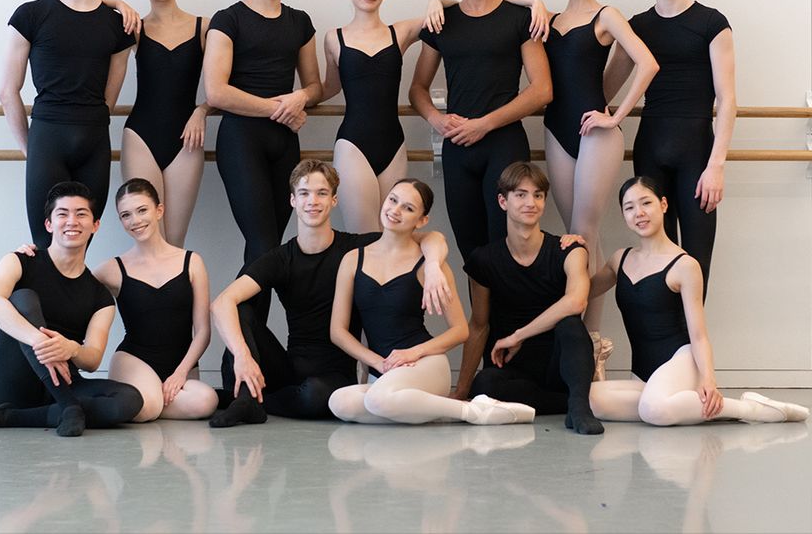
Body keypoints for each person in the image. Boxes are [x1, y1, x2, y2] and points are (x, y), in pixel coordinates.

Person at [208, 160, 452, 428]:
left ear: (334, 200)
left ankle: (254, 401)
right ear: (293, 200)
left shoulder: (358, 248)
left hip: (334, 376)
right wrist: (243, 356)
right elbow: (222, 302)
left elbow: (433, 237)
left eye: (322, 193)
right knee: (239, 310)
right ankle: (245, 399)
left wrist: (432, 266)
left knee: (315, 396)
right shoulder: (280, 258)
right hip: (289, 367)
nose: (312, 201)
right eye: (304, 193)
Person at [503, 0, 659, 352]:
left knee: (581, 234)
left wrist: (616, 116)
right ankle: (589, 340)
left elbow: (647, 63)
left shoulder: (606, 16)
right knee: (579, 237)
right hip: (556, 131)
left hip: (596, 134)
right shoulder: (549, 20)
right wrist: (533, 0)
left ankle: (584, 344)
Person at [320, 0, 546, 234]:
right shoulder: (333, 38)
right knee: (363, 235)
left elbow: (464, 3)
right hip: (352, 143)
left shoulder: (401, 32)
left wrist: (531, 2)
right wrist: (297, 99)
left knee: (395, 234)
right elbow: (329, 87)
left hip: (393, 144)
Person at [587, 177, 809, 426]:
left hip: (681, 361)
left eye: (646, 203)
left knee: (653, 409)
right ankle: (670, 402)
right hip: (643, 372)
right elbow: (583, 292)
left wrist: (708, 379)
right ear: (623, 215)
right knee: (590, 399)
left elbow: (699, 334)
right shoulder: (620, 259)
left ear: (663, 205)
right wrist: (572, 248)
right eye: (629, 207)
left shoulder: (685, 265)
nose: (639, 213)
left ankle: (748, 408)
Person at [328, 179, 535, 425]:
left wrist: (413, 353)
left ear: (421, 220)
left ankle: (472, 411)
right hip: (384, 371)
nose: (395, 210)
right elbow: (338, 331)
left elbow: (460, 330)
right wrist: (378, 363)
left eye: (408, 208)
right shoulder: (353, 259)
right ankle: (425, 409)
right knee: (339, 402)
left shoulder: (429, 265)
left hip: (425, 365)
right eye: (393, 200)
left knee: (377, 401)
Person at [409, 0, 553, 261]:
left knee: (509, 246)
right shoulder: (441, 21)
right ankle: (478, 301)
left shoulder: (521, 18)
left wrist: (484, 124)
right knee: (471, 252)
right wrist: (437, 120)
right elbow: (417, 89)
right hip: (457, 147)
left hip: (504, 144)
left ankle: (511, 301)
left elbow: (542, 90)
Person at [604, 0, 735, 294]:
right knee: (658, 255)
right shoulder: (638, 27)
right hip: (651, 146)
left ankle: (692, 332)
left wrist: (716, 165)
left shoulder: (712, 23)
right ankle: (664, 331)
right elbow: (606, 87)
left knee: (696, 258)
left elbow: (727, 99)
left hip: (697, 152)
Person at [0, 182, 143, 437]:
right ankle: (67, 406)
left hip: (65, 381)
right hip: (16, 384)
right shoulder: (20, 261)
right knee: (23, 297)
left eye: (81, 214)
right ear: (48, 224)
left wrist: (70, 348)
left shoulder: (100, 295)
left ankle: (13, 417)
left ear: (95, 225)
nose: (72, 221)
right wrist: (40, 342)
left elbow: (92, 359)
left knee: (130, 400)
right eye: (62, 214)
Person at [203, 0, 321, 324]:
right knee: (264, 244)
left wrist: (299, 98)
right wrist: (279, 107)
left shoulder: (300, 22)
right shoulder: (228, 19)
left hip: (285, 142)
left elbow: (314, 86)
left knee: (267, 249)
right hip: (242, 140)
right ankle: (242, 344)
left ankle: (248, 345)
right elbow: (217, 91)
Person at [0, 0, 138, 247]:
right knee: (46, 246)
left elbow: (109, 99)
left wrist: (117, 2)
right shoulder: (30, 15)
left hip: (94, 141)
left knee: (79, 245)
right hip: (47, 137)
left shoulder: (118, 26)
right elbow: (7, 92)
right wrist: (31, 150)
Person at [453, 162, 603, 434]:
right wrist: (461, 392)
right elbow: (479, 325)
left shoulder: (569, 251)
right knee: (483, 386)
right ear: (503, 201)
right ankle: (568, 402)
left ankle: (579, 407)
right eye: (520, 194)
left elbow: (576, 302)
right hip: (514, 368)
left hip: (561, 363)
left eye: (538, 195)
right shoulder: (484, 259)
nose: (530, 203)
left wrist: (518, 336)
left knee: (570, 324)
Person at [94, 178, 218, 422]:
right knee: (148, 408)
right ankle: (140, 401)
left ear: (159, 210)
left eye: (142, 210)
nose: (135, 220)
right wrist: (32, 255)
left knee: (207, 401)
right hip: (133, 361)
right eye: (126, 215)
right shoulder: (112, 269)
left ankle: (136, 402)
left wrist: (180, 373)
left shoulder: (192, 262)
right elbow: (70, 285)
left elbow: (203, 331)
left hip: (181, 364)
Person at [118, 0, 210, 247]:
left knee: (174, 242)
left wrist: (202, 110)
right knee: (148, 240)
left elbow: (225, 85)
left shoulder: (204, 27)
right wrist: (116, 3)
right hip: (141, 137)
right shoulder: (134, 29)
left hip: (187, 138)